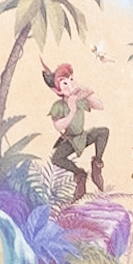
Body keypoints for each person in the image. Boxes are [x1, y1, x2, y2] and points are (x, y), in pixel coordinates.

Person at [42, 62, 108, 199]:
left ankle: (97, 166)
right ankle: (79, 174)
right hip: (70, 140)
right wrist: (71, 112)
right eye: (64, 83)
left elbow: (100, 106)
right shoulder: (59, 106)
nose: (69, 84)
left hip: (82, 136)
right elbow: (58, 126)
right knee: (57, 158)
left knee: (103, 132)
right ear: (58, 89)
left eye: (71, 80)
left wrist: (87, 93)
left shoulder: (79, 100)